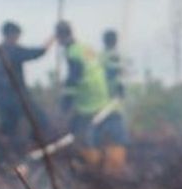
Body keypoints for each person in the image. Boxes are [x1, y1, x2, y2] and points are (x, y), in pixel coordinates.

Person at [55, 20, 128, 176]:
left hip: (88, 101)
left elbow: (73, 78)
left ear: (59, 37)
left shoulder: (72, 52)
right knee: (105, 133)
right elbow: (109, 72)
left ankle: (94, 170)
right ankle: (110, 169)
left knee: (80, 133)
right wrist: (119, 90)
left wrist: (65, 104)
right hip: (103, 98)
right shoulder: (85, 48)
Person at [0, 21, 52, 146]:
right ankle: (33, 147)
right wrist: (53, 37)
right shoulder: (14, 51)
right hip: (17, 97)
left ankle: (5, 156)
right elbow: (39, 52)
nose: (18, 39)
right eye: (17, 36)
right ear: (12, 35)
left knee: (8, 128)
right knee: (40, 120)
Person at [101, 29, 125, 99]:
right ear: (115, 41)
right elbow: (119, 75)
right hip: (112, 92)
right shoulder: (115, 55)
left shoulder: (101, 55)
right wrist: (121, 91)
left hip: (102, 92)